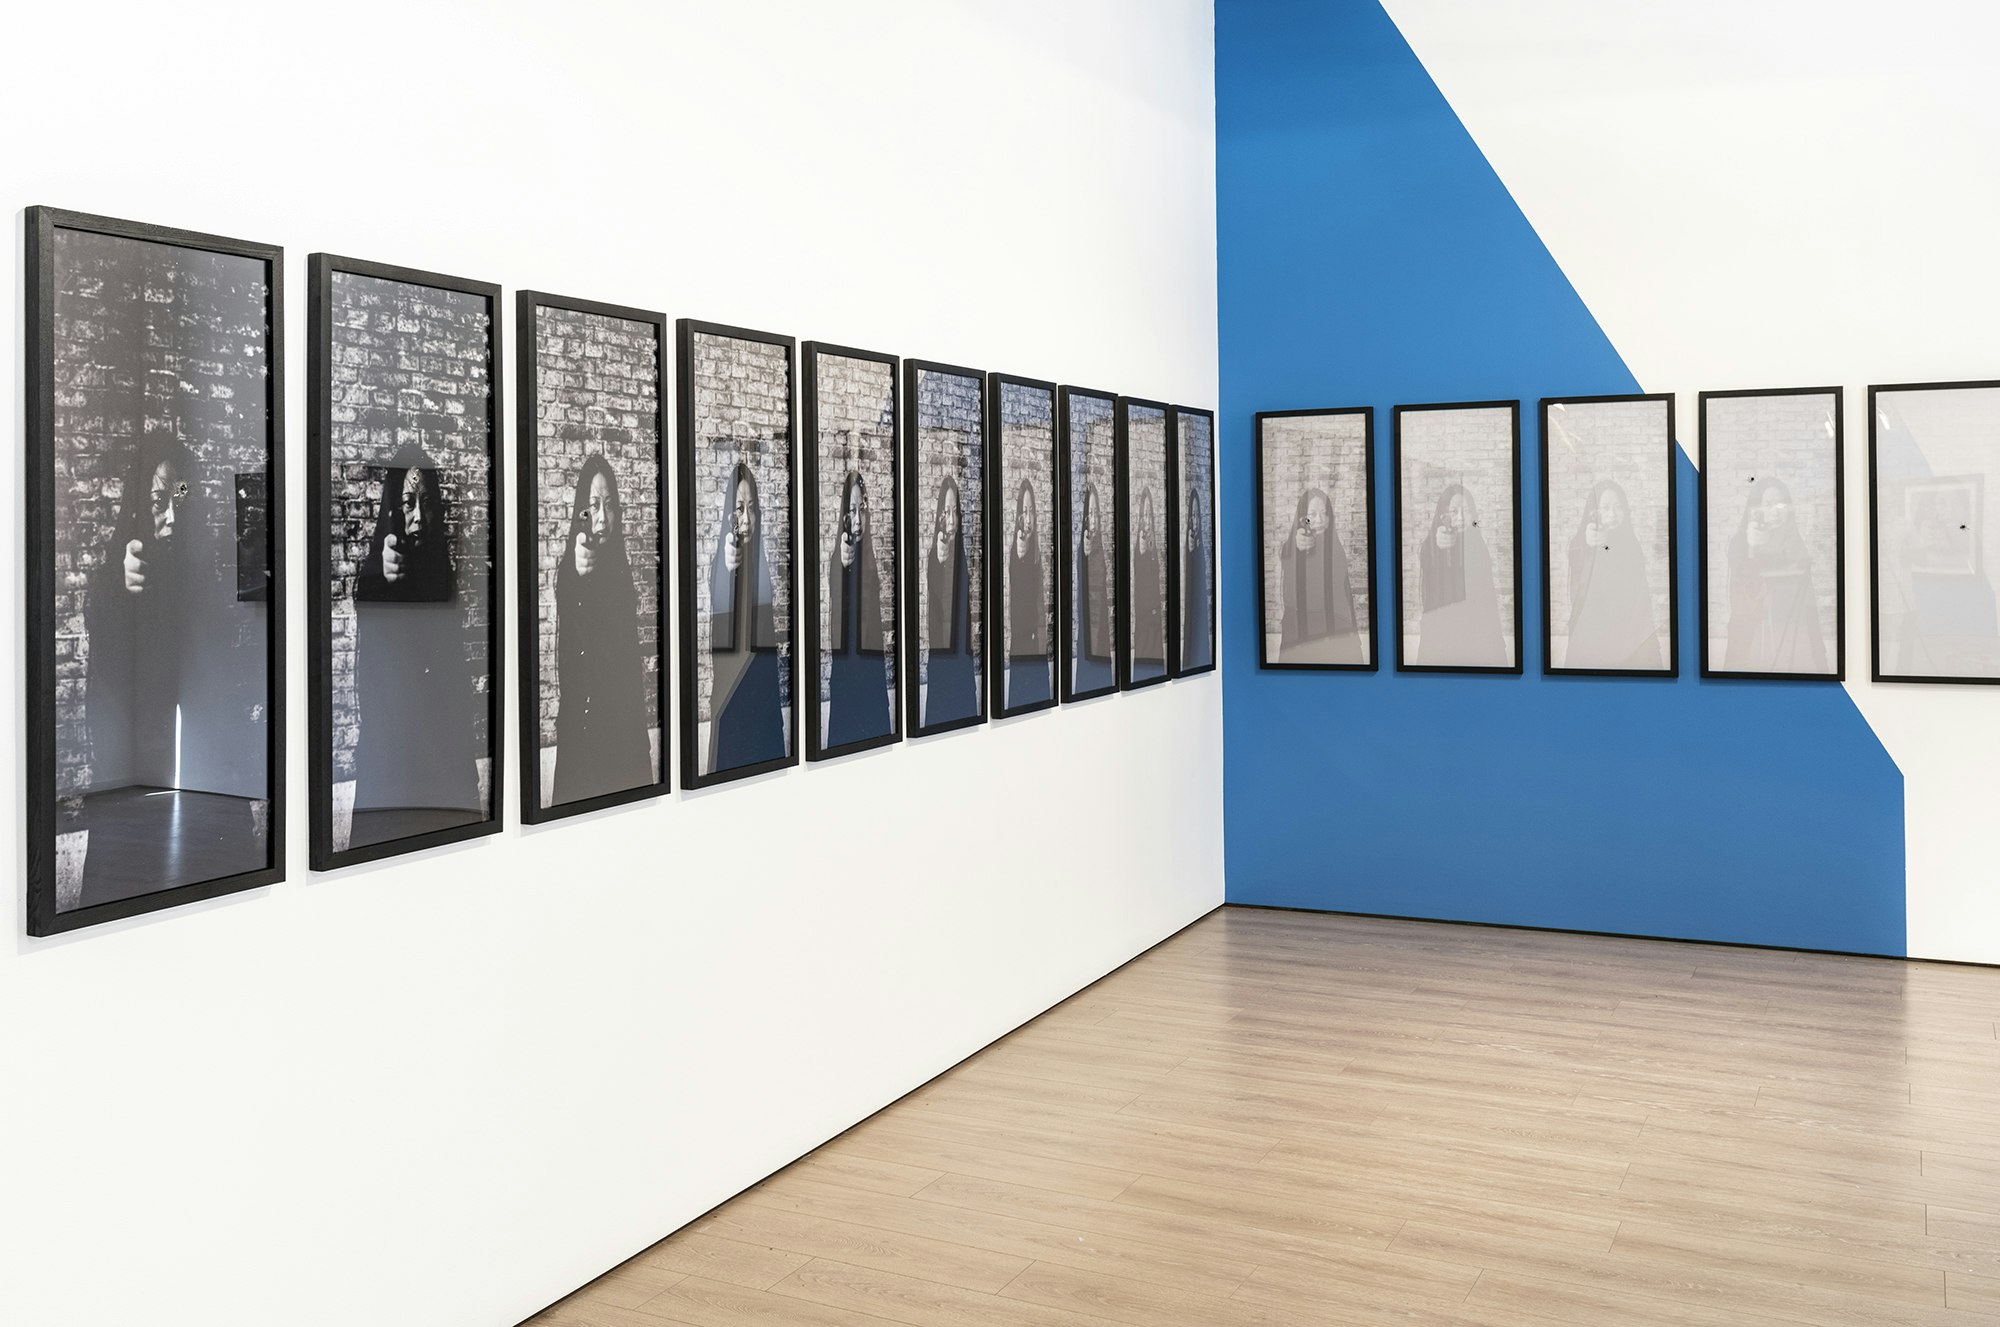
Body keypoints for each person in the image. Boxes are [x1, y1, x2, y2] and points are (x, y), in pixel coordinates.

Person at [352, 448, 483, 841]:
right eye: (408, 503)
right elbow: (369, 594)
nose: (418, 517)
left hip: (443, 746)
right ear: (394, 506)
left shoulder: (442, 564)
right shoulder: (379, 569)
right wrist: (382, 574)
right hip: (395, 750)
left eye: (426, 503)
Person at [85, 436, 196, 787]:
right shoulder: (122, 567)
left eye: (179, 499)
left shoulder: (196, 566)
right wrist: (122, 583)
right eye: (159, 502)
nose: (172, 517)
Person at [552, 455, 652, 803]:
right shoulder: (573, 566)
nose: (602, 517)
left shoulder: (620, 568)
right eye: (593, 505)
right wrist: (579, 570)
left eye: (609, 506)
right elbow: (572, 579)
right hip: (586, 737)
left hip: (624, 731)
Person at [706, 462, 786, 772]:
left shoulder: (761, 560)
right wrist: (730, 562)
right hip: (735, 701)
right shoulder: (726, 557)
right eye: (739, 508)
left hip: (763, 702)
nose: (747, 518)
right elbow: (725, 569)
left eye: (751, 508)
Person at [1721, 479, 1826, 673]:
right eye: (1768, 504)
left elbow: (1807, 600)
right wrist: (1750, 546)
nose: (1776, 511)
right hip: (1755, 636)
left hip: (1792, 632)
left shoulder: (1794, 541)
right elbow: (1743, 590)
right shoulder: (1741, 542)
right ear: (1756, 508)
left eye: (1781, 504)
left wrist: (1818, 656)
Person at [1565, 478, 1662, 669]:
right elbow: (1577, 566)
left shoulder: (1630, 543)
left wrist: (1603, 544)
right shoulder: (1583, 540)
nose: (1612, 514)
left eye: (1618, 507)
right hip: (1593, 628)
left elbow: (1619, 558)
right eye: (1606, 507)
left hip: (1627, 626)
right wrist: (1587, 544)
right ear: (1594, 511)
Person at [824, 471, 890, 748]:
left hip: (872, 671)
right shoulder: (843, 553)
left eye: (862, 507)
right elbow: (840, 562)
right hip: (850, 675)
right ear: (844, 516)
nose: (859, 518)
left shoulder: (871, 555)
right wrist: (843, 560)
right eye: (852, 509)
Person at [1417, 484, 1507, 666]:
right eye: (1454, 511)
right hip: (1446, 633)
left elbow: (1486, 594)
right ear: (1443, 515)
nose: (1460, 517)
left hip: (1479, 630)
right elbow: (1431, 552)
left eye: (1466, 510)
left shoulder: (1476, 537)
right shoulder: (1436, 541)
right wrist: (1437, 544)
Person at [1277, 485, 1362, 664]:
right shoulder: (1295, 543)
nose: (1319, 519)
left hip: (1336, 627)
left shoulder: (1336, 547)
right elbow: (1292, 550)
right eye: (1312, 514)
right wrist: (1298, 544)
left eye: (1324, 513)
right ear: (1303, 518)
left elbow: (1344, 592)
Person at [923, 476, 979, 724]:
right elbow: (938, 561)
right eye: (946, 511)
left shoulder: (962, 555)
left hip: (962, 662)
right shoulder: (939, 553)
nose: (951, 518)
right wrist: (940, 553)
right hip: (944, 665)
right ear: (939, 517)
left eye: (954, 510)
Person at [1005, 478, 1052, 706]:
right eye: (1024, 511)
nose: (1028, 516)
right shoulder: (1020, 548)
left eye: (1031, 510)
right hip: (1023, 640)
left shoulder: (1036, 551)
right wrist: (1021, 541)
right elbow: (1018, 556)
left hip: (1036, 639)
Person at [1072, 481, 1115, 692]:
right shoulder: (1085, 547)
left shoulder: (1100, 547)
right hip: (1089, 627)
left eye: (1096, 513)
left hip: (1101, 624)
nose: (1094, 519)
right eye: (1090, 513)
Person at [1131, 487, 1167, 674]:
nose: (1146, 518)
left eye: (1149, 513)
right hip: (1144, 609)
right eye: (1143, 514)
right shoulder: (1141, 543)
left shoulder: (1153, 544)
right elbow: (1139, 563)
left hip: (1154, 608)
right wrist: (1144, 548)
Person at [1182, 480, 1212, 670]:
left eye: (1196, 514)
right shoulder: (1190, 541)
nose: (1194, 520)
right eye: (1191, 516)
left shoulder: (1203, 544)